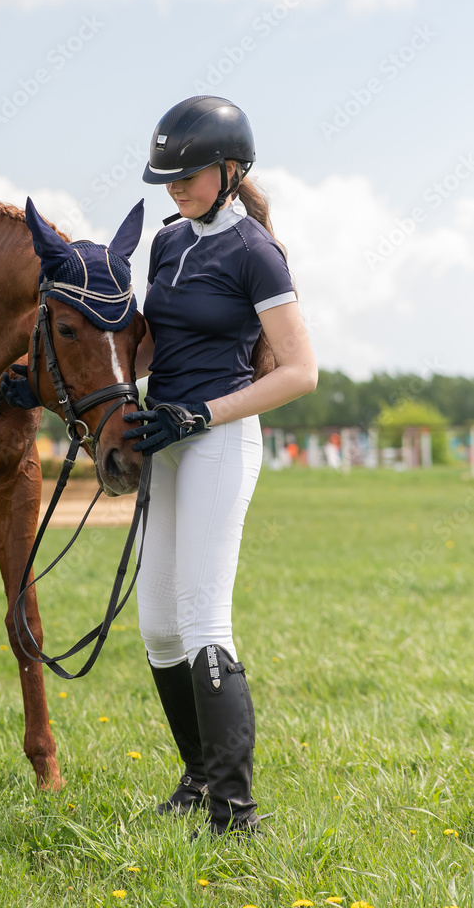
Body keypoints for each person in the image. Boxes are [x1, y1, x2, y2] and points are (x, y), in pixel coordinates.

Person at [122, 95, 318, 835]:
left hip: (216, 437)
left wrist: (199, 413)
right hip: (161, 437)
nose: (175, 186)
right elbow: (149, 346)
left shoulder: (254, 251)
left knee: (203, 621)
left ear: (231, 171)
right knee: (158, 630)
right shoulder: (168, 243)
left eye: (190, 173)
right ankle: (198, 778)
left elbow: (299, 372)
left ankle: (235, 812)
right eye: (166, 175)